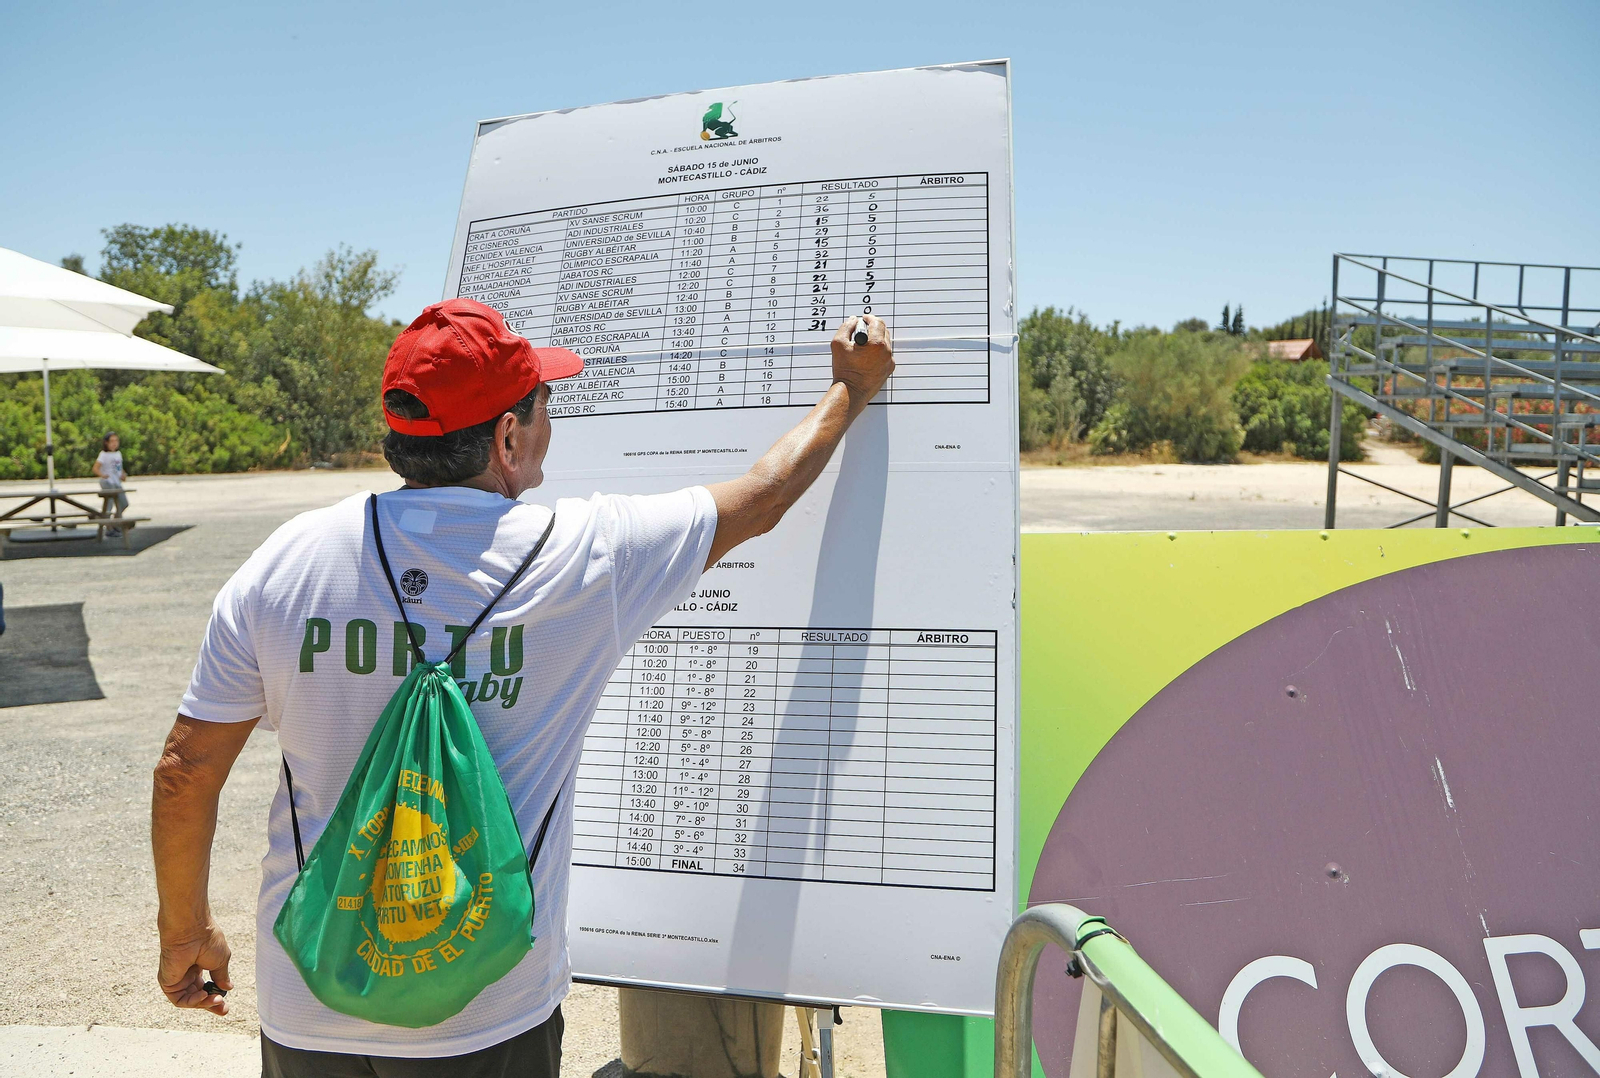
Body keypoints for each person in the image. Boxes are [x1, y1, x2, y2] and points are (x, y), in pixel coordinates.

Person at [150, 297, 894, 1077]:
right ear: (508, 435)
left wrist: (184, 931)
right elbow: (764, 495)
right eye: (543, 404)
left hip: (312, 1000)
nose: (549, 422)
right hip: (490, 1012)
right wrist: (851, 388)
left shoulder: (285, 560)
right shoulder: (584, 555)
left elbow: (185, 771)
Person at [92, 431, 129, 537]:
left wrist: (123, 474)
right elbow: (95, 468)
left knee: (123, 503)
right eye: (111, 441)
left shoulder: (118, 454)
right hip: (108, 482)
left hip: (117, 482)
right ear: (106, 443)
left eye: (116, 441)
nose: (114, 443)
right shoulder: (103, 455)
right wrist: (102, 475)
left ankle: (115, 523)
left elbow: (119, 468)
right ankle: (108, 528)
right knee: (109, 505)